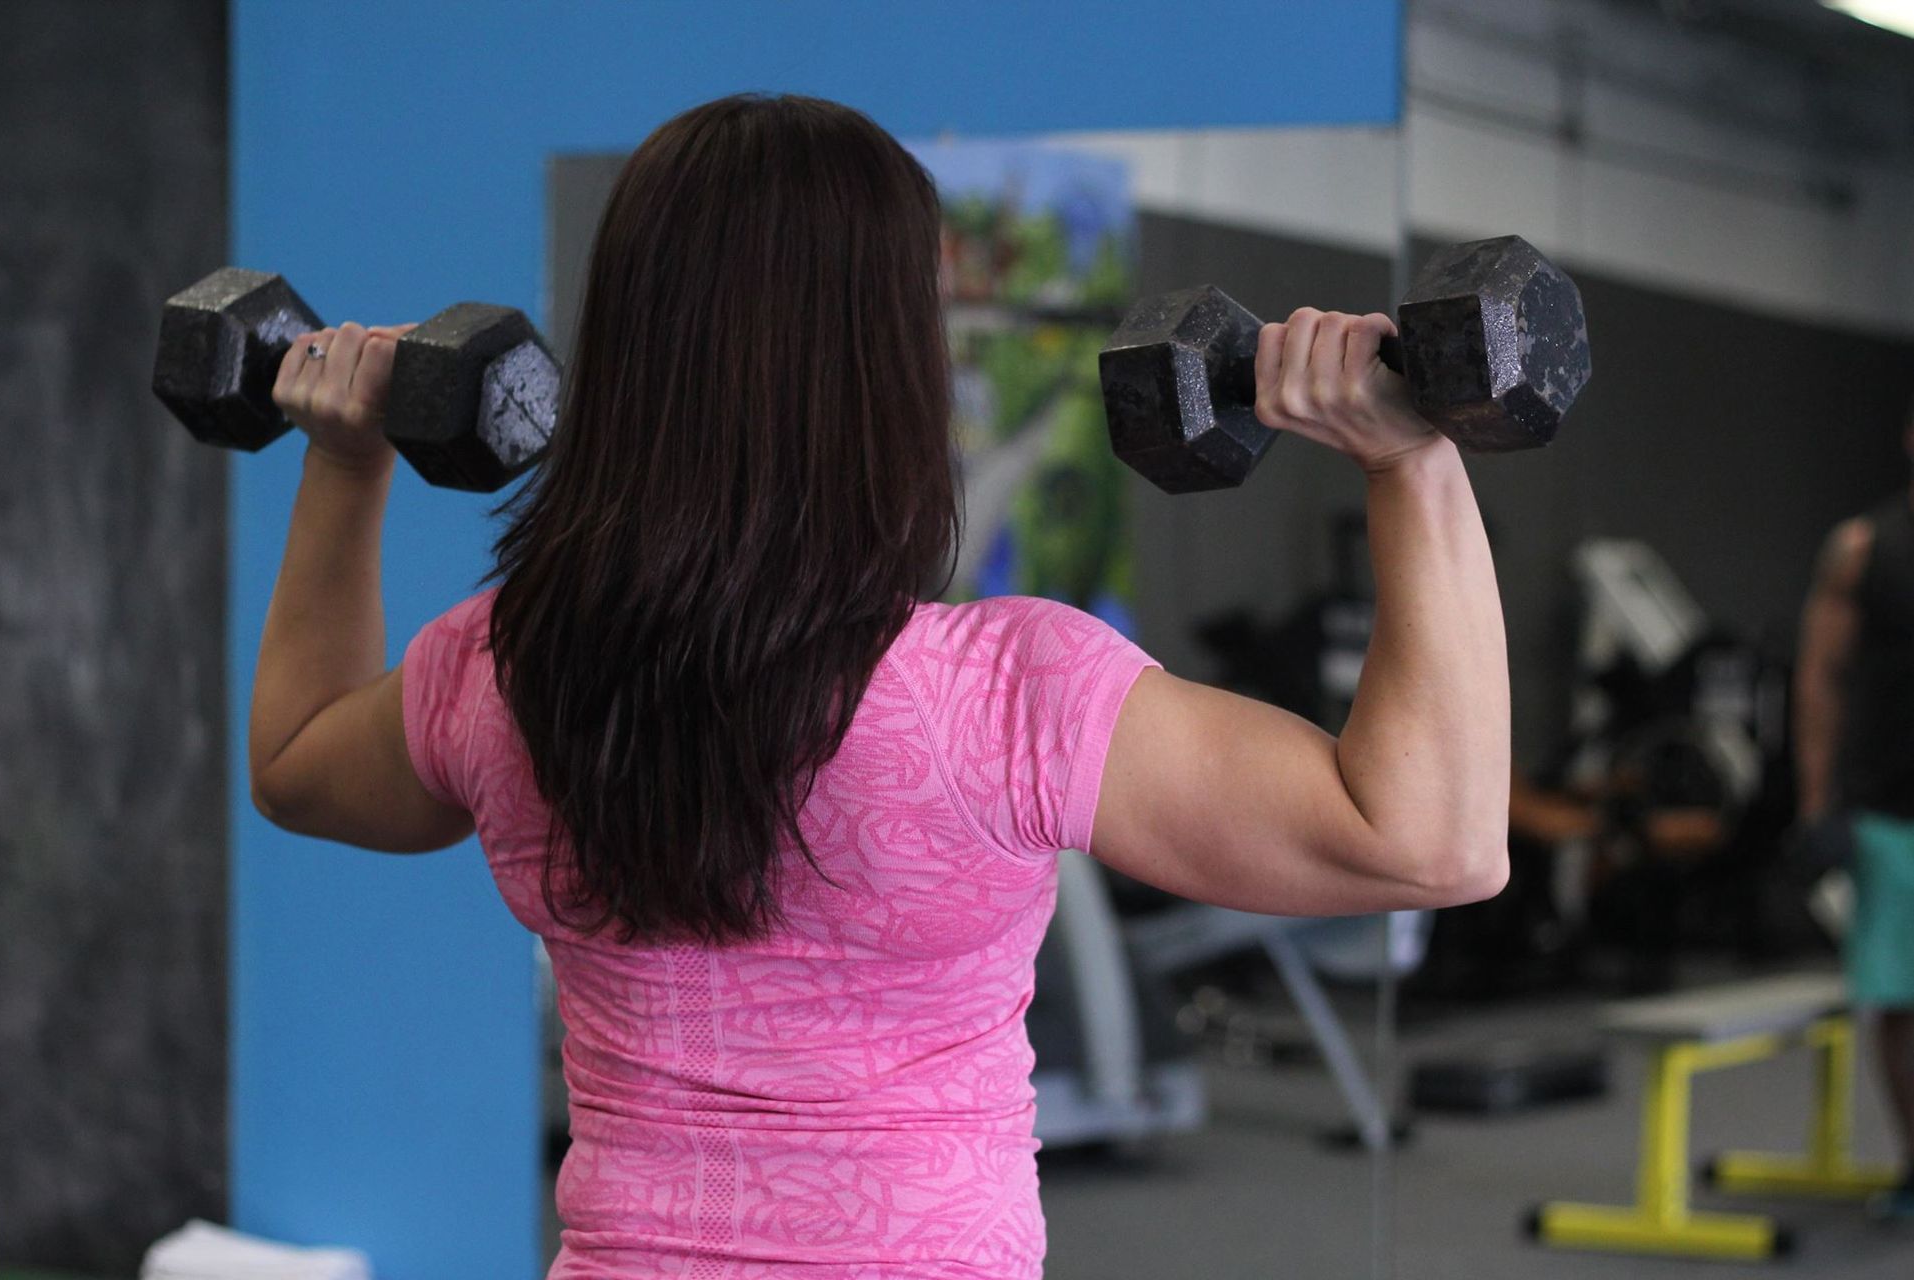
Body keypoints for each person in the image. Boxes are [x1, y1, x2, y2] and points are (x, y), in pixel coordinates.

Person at [245, 94, 1510, 1278]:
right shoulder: (1008, 695)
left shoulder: (506, 666)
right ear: (889, 360)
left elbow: (297, 758)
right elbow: (1431, 842)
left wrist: (346, 462)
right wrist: (1408, 464)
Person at [1795, 407, 1914, 1221]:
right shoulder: (1864, 548)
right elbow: (1818, 677)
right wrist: (1815, 801)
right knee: (1899, 1001)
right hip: (1888, 806)